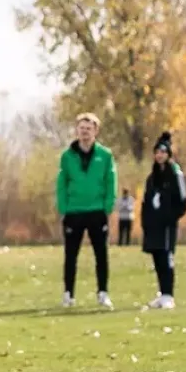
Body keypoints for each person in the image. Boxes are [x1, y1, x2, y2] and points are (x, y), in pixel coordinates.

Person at [56, 112, 117, 309]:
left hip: (97, 211)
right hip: (74, 212)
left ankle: (102, 293)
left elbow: (111, 181)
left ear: (95, 131)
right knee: (71, 255)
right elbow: (62, 183)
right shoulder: (67, 156)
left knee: (101, 254)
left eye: (88, 129)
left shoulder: (105, 155)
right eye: (81, 128)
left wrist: (107, 206)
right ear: (77, 131)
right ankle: (68, 294)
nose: (85, 132)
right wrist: (63, 207)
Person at [140, 132, 186, 310]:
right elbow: (146, 201)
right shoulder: (152, 178)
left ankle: (169, 295)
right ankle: (162, 294)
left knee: (167, 258)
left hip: (167, 226)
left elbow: (183, 202)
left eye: (162, 152)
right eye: (157, 152)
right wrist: (145, 222)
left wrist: (170, 217)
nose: (159, 155)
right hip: (153, 226)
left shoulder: (176, 175)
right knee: (157, 258)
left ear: (168, 154)